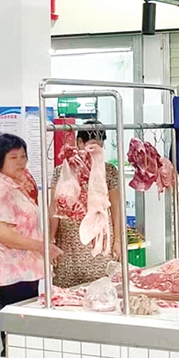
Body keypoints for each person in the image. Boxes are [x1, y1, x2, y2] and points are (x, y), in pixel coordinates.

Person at [0, 133, 62, 356]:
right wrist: (40, 247)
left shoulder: (17, 184)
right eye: (13, 157)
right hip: (13, 275)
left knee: (24, 334)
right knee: (16, 336)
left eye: (23, 156)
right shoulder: (1, 189)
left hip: (26, 272)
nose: (20, 162)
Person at [48, 121, 124, 287]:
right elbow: (54, 208)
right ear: (80, 143)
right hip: (68, 244)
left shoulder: (109, 171)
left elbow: (116, 208)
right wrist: (50, 240)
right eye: (93, 144)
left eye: (100, 145)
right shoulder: (61, 171)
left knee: (100, 290)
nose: (97, 149)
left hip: (99, 241)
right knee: (68, 294)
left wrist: (118, 241)